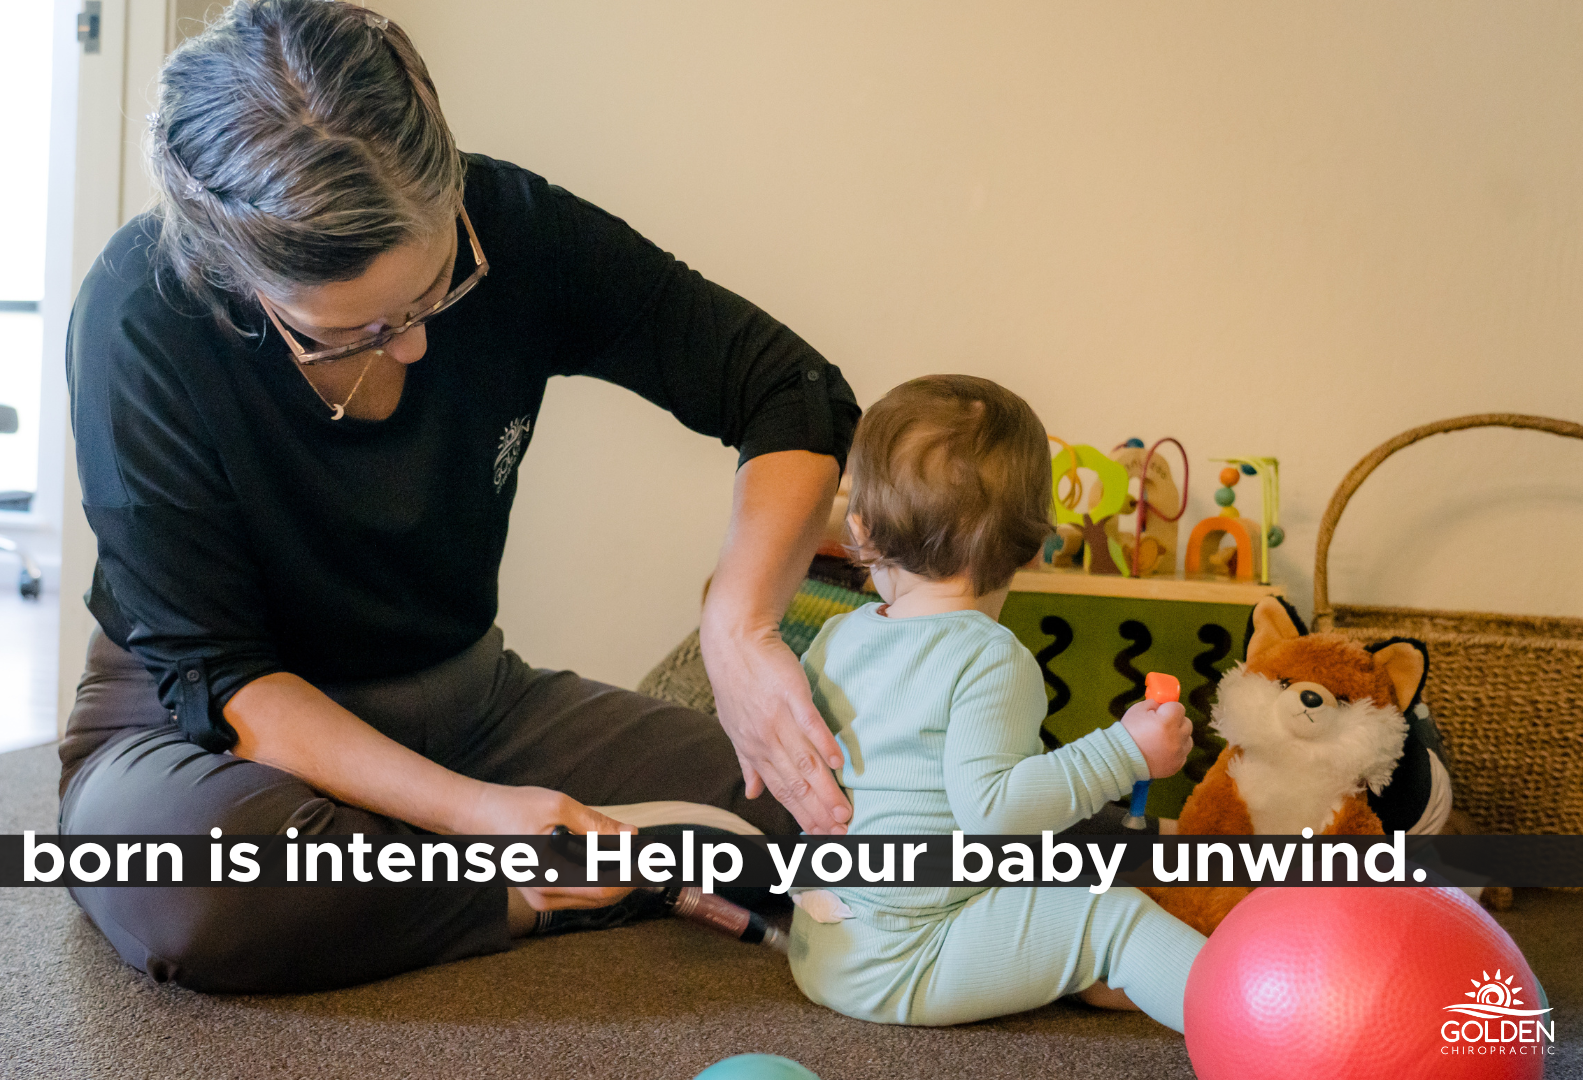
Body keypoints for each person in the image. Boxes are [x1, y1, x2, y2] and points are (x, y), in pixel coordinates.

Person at [59, 0, 861, 993]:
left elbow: (787, 387)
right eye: (350, 331)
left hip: (472, 706)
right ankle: (524, 889)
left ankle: (429, 876)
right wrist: (474, 817)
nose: (412, 347)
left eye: (436, 290)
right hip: (204, 735)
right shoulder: (142, 314)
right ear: (236, 277)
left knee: (839, 810)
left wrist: (739, 631)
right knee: (217, 888)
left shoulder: (512, 224)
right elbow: (218, 676)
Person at [786, 375, 1206, 1031]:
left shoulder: (839, 635)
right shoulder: (988, 656)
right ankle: (1267, 1021)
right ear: (1040, 542)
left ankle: (1066, 967)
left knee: (1051, 876)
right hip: (908, 960)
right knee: (1106, 912)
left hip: (825, 945)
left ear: (860, 531)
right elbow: (998, 815)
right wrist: (1127, 752)